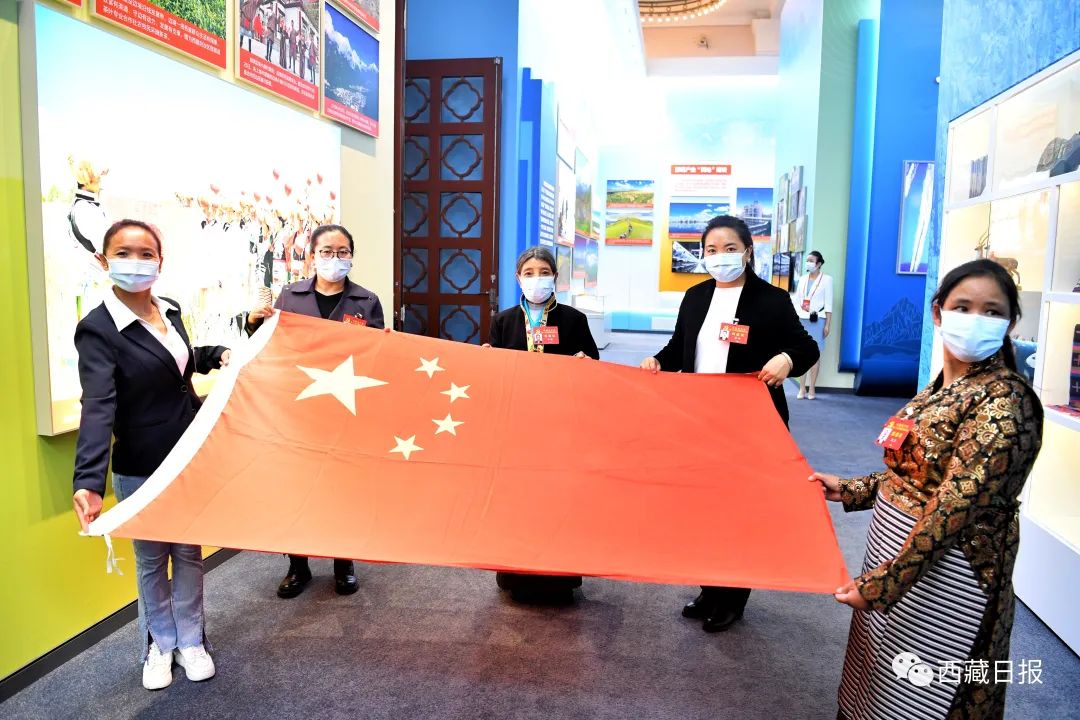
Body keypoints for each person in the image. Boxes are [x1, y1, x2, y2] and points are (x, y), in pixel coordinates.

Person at [811, 259, 1042, 720]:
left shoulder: (1004, 398)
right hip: (898, 554)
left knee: (927, 688)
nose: (976, 319)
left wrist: (884, 585)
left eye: (993, 312)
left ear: (1011, 322)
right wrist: (853, 489)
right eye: (963, 307)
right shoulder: (941, 387)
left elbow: (955, 505)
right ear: (938, 312)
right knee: (877, 681)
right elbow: (918, 473)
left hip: (954, 571)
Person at [71, 219, 231, 690]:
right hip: (141, 464)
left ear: (161, 261)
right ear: (102, 260)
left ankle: (192, 639)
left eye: (146, 254)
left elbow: (175, 362)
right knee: (151, 560)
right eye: (124, 253)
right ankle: (159, 644)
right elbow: (98, 405)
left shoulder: (171, 310)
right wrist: (88, 481)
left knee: (189, 554)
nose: (136, 263)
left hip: (189, 455)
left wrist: (214, 354)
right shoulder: (98, 329)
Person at [640, 215, 819, 632]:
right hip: (699, 420)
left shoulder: (771, 300)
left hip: (749, 424)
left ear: (748, 252)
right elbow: (678, 346)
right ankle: (709, 587)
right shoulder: (696, 296)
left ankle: (732, 598)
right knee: (703, 508)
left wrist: (786, 359)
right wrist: (658, 361)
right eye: (711, 250)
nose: (720, 257)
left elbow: (805, 347)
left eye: (730, 249)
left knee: (739, 511)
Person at [246, 224, 385, 599]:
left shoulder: (366, 301)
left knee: (343, 490)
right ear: (311, 256)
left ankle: (344, 564)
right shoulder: (290, 296)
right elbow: (268, 346)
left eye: (342, 252)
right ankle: (298, 565)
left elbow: (378, 355)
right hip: (299, 408)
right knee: (298, 489)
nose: (334, 258)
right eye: (326, 251)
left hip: (346, 409)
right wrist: (253, 321)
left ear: (352, 256)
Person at [486, 246, 600, 604]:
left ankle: (559, 579)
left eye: (544, 272)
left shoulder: (573, 319)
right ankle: (514, 574)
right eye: (529, 273)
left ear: (555, 277)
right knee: (518, 496)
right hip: (516, 423)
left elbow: (593, 362)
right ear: (518, 278)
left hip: (559, 423)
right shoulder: (503, 320)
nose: (537, 279)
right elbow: (493, 368)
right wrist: (485, 360)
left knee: (557, 496)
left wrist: (585, 361)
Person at [791, 250, 833, 399]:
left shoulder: (827, 280)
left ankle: (812, 388)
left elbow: (829, 304)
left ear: (819, 264)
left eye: (811, 261)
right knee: (802, 353)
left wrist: (827, 324)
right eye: (807, 260)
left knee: (815, 354)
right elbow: (797, 299)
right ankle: (802, 388)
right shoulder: (802, 279)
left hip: (817, 320)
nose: (808, 263)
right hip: (802, 319)